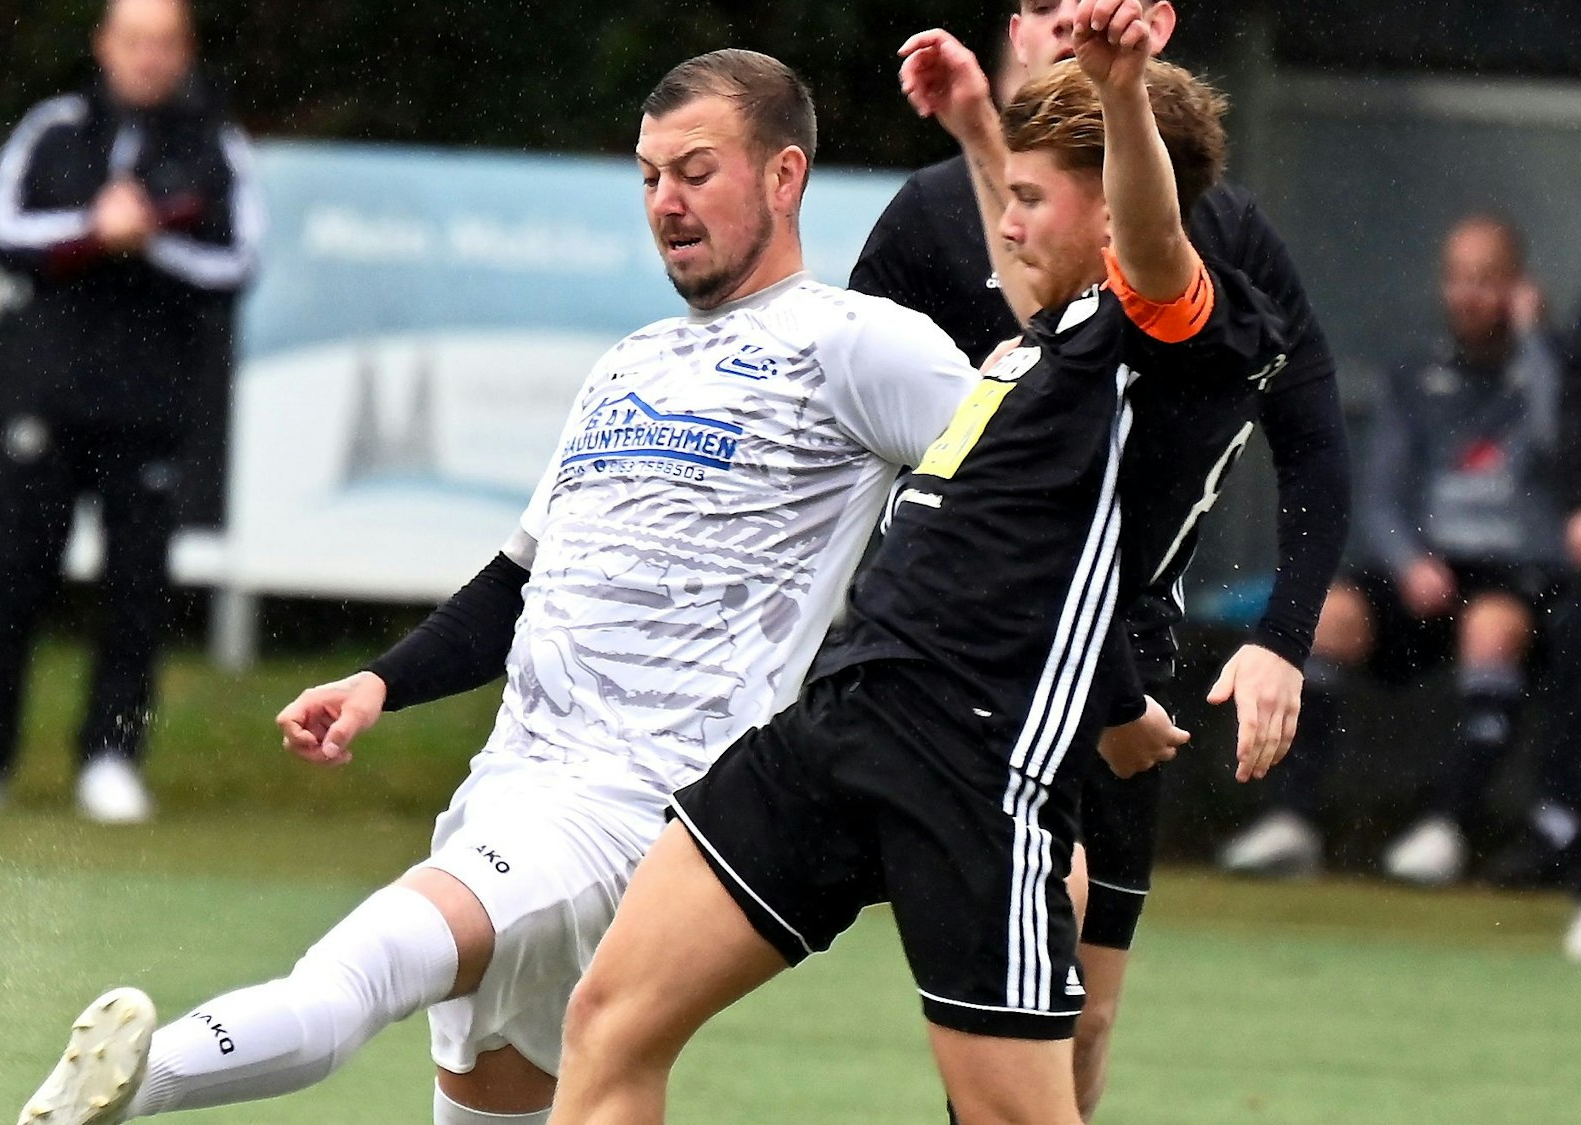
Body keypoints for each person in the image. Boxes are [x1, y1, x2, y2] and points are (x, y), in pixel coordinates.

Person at [13, 49, 979, 1125]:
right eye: (649, 175)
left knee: (359, 969)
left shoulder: (857, 342)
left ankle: (127, 1087)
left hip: (638, 807)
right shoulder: (629, 362)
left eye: (696, 171)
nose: (666, 201)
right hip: (513, 781)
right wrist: (382, 683)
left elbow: (1023, 495)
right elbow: (519, 581)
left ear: (785, 175)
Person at [549, 10, 1290, 1124]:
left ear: (1118, 205)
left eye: (1032, 200)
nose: (1003, 219)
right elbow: (1052, 259)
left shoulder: (1174, 333)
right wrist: (978, 125)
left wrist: (1122, 91)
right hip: (845, 711)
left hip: (972, 759)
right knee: (608, 1021)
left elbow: (1140, 245)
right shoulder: (1053, 336)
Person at [846, 3, 1350, 1113]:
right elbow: (840, 419)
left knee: (1077, 1006)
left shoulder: (1203, 247)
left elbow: (1310, 439)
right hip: (957, 655)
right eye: (1035, 7)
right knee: (1037, 927)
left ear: (1148, 30)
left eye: (1087, 10)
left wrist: (1280, 640)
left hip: (1115, 652)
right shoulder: (933, 219)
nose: (1058, 26)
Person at [0, 0, 263, 824]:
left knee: (138, 594)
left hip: (153, 405)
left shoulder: (215, 145)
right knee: (13, 581)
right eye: (133, 41)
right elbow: (1, 230)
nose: (147, 57)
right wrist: (94, 230)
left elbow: (239, 260)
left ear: (184, 51)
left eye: (164, 43)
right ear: (106, 45)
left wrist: (152, 243)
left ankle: (112, 760)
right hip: (50, 395)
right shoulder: (54, 129)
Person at [1219, 214, 1567, 885]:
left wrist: (1533, 342)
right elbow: (1377, 495)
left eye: (1489, 281)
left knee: (1493, 627)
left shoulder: (1544, 368)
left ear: (1518, 287)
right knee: (1330, 616)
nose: (1472, 296)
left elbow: (1559, 449)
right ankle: (1291, 820)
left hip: (1515, 574)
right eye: (1461, 280)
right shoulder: (1415, 377)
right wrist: (1410, 560)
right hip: (1427, 569)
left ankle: (1446, 824)